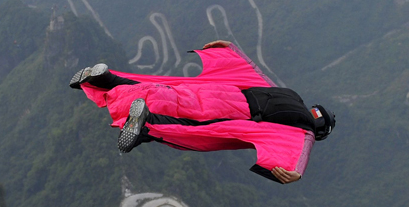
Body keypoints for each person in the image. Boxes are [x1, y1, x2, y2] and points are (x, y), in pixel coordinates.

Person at [70, 41, 335, 184]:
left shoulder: (288, 93)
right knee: (192, 130)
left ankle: (107, 79)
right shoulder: (303, 134)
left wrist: (229, 49)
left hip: (225, 91)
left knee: (168, 92)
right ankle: (146, 127)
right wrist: (295, 173)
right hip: (236, 116)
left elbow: (253, 71)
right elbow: (295, 160)